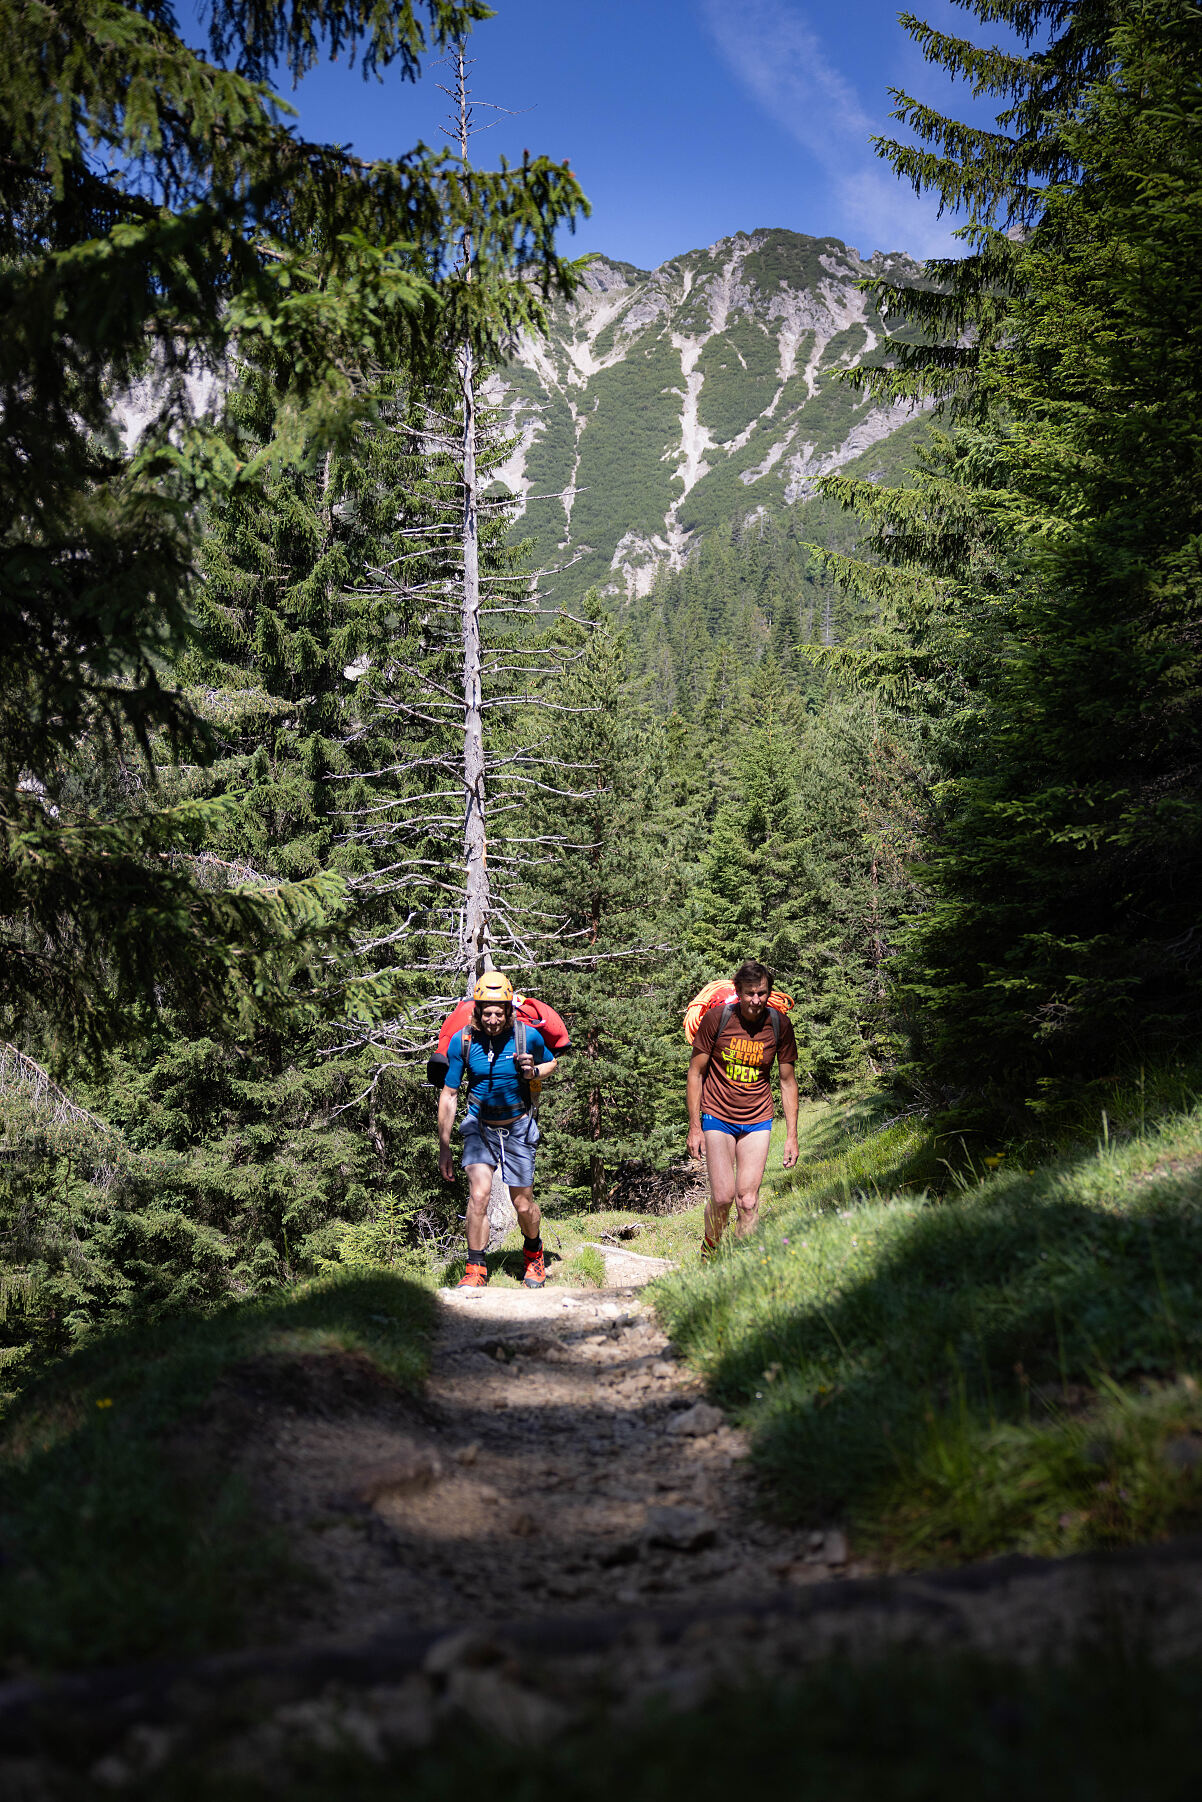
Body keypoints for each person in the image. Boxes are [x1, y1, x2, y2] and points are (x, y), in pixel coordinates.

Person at [438, 972, 557, 1290]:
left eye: (498, 1012)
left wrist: (534, 1071)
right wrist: (445, 1145)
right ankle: (475, 1267)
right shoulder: (462, 1041)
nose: (492, 1019)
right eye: (486, 1012)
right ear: (477, 1010)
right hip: (479, 1127)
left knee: (523, 1204)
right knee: (478, 1196)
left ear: (508, 1010)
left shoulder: (526, 1036)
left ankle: (533, 1254)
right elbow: (449, 1095)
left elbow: (551, 1063)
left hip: (518, 1127)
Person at [686, 958, 799, 1258]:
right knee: (722, 1197)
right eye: (749, 993)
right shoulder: (717, 1020)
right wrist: (694, 1127)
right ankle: (709, 1253)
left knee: (748, 1201)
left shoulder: (779, 1024)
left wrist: (792, 1136)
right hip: (717, 1115)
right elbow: (696, 1073)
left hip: (758, 1119)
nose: (756, 1000)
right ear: (738, 992)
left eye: (761, 993)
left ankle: (742, 1266)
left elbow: (787, 1081)